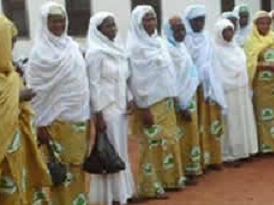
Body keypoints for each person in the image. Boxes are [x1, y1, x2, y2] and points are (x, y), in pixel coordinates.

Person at [26, 2, 90, 204]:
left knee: (77, 168)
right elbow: (38, 93)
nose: (59, 25)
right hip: (53, 123)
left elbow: (81, 83)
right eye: (54, 21)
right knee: (59, 172)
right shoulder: (38, 54)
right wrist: (40, 124)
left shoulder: (73, 47)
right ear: (45, 23)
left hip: (79, 119)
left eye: (62, 21)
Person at [0, 14, 51, 205]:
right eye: (9, 43)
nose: (12, 48)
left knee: (19, 190)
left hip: (18, 148)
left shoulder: (9, 72)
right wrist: (18, 97)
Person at [127, 5, 184, 196]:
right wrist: (143, 108)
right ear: (138, 23)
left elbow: (168, 72)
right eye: (146, 20)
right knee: (150, 146)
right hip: (149, 105)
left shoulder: (159, 41)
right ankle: (149, 187)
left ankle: (169, 180)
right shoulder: (135, 47)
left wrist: (174, 97)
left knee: (168, 142)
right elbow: (136, 80)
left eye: (153, 18)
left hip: (166, 102)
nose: (151, 23)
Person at [86, 12, 135, 205]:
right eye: (108, 26)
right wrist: (98, 114)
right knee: (107, 150)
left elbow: (123, 78)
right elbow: (93, 84)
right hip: (105, 110)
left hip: (120, 108)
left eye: (114, 25)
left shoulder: (118, 48)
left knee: (120, 150)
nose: (113, 29)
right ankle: (107, 197)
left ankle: (121, 194)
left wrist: (129, 98)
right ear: (98, 31)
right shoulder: (95, 53)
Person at [184, 5, 227, 170]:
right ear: (189, 21)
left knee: (209, 123)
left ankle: (211, 159)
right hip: (191, 88)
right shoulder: (185, 40)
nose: (200, 23)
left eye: (202, 20)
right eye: (196, 20)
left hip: (209, 88)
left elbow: (213, 63)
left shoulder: (207, 38)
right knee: (194, 126)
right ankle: (196, 162)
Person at [245, 11, 274, 154]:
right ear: (255, 25)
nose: (265, 26)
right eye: (261, 23)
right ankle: (267, 147)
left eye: (267, 23)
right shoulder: (251, 41)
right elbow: (249, 64)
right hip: (262, 85)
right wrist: (268, 66)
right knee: (264, 115)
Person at [163, 15, 203, 184]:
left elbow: (190, 71)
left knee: (191, 135)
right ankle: (181, 173)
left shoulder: (181, 47)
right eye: (176, 30)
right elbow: (171, 79)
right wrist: (180, 103)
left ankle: (191, 168)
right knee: (178, 138)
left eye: (182, 29)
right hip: (177, 101)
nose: (181, 33)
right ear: (168, 31)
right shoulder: (167, 49)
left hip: (190, 96)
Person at [213, 19, 259, 165]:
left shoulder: (237, 48)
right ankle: (230, 154)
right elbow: (216, 72)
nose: (229, 34)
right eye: (225, 31)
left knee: (243, 120)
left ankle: (245, 150)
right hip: (227, 92)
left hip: (241, 90)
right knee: (231, 124)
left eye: (231, 30)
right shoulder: (215, 50)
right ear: (219, 33)